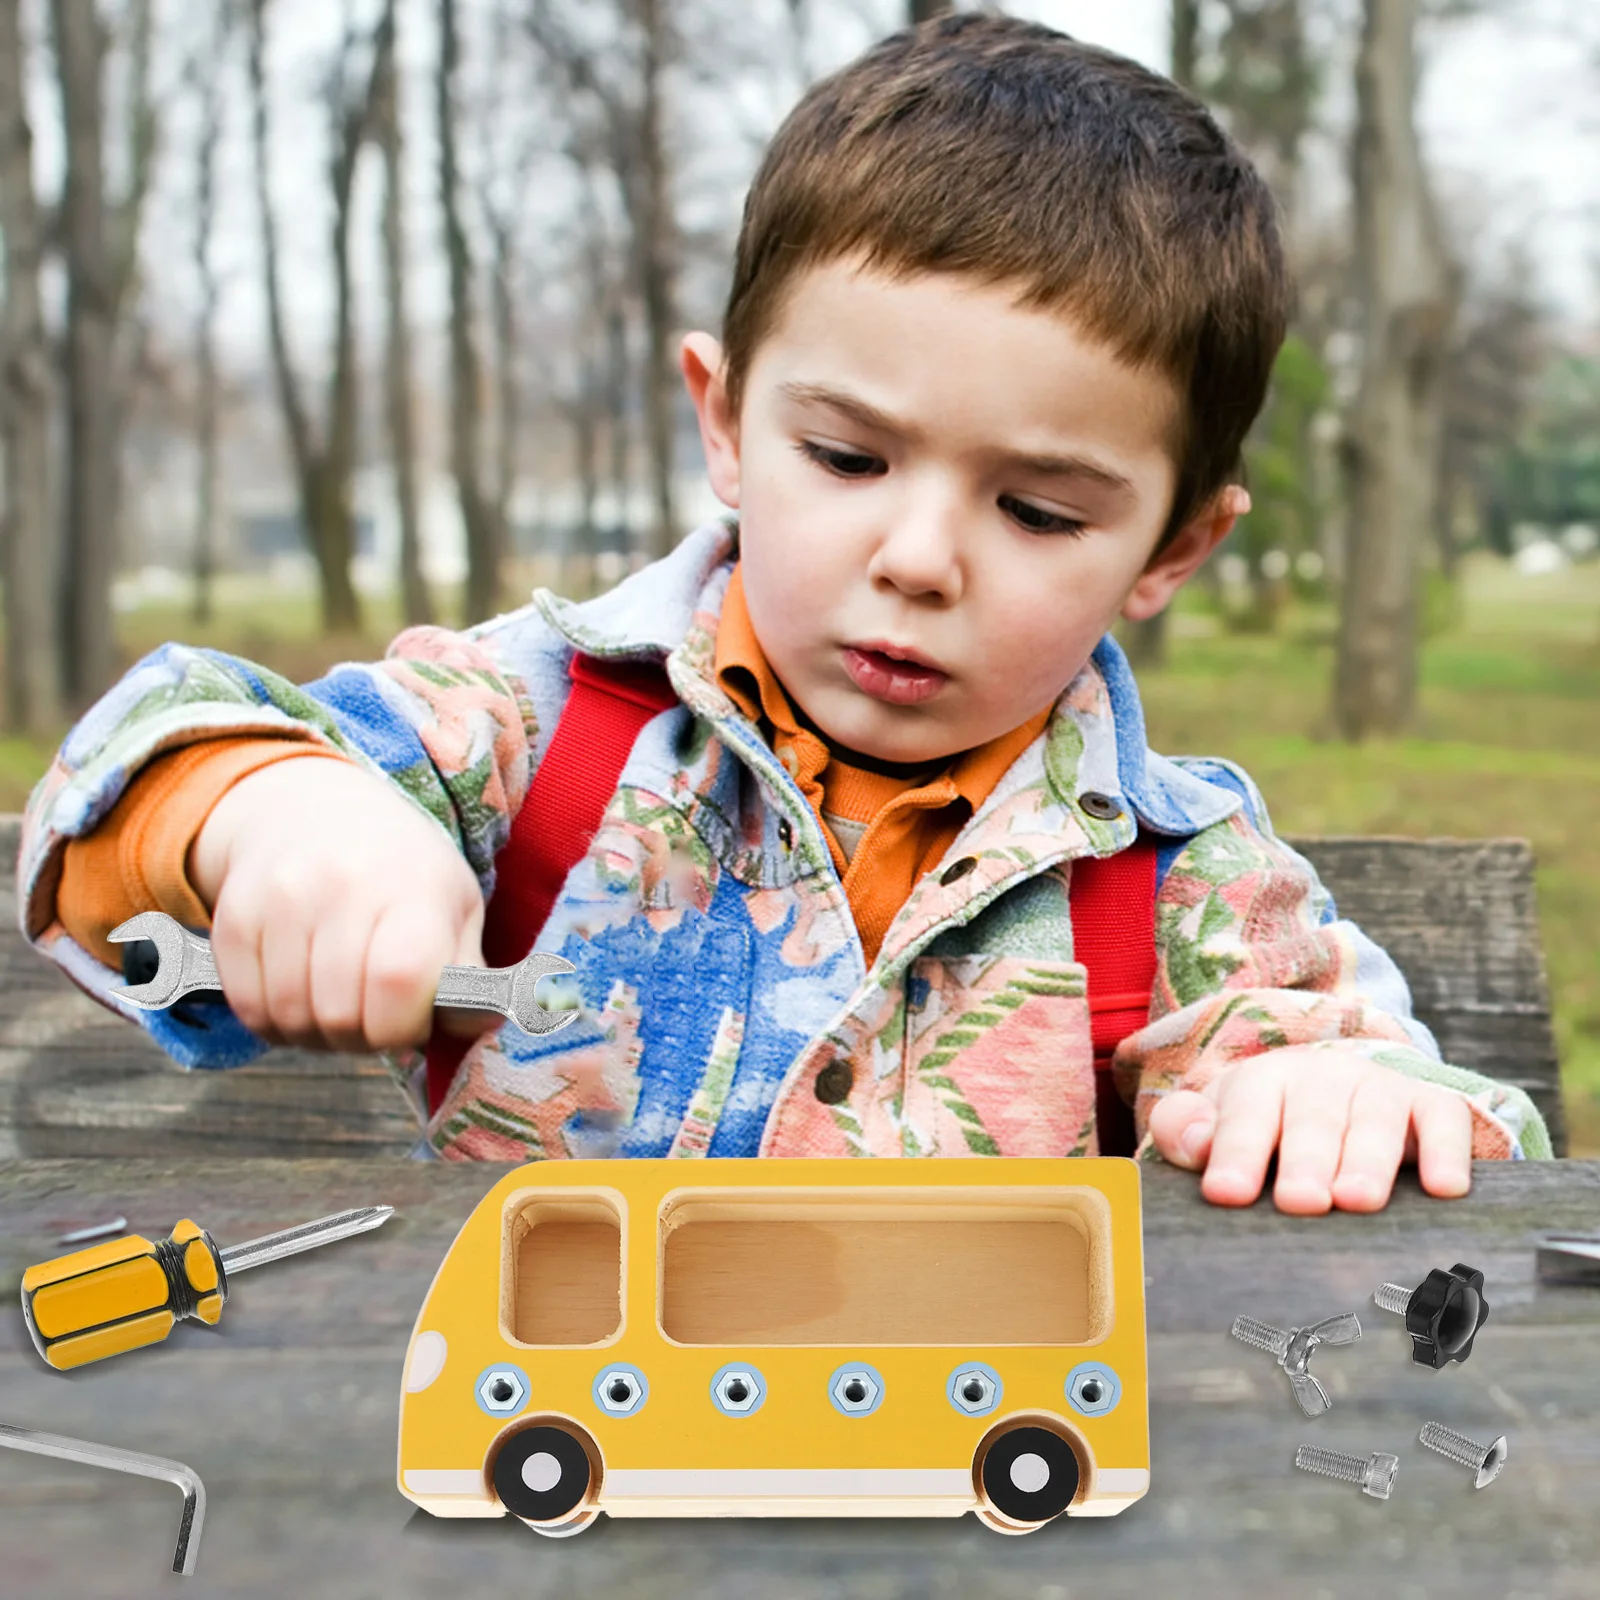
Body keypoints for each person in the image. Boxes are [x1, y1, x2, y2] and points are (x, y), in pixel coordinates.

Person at [18, 14, 1548, 1207]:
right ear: (728, 422)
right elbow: (125, 791)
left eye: (1038, 510)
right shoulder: (535, 729)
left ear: (1172, 548)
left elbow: (1448, 1132)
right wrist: (280, 818)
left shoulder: (1183, 886)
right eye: (847, 456)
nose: (921, 556)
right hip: (550, 1464)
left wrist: (1357, 1107)